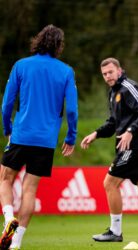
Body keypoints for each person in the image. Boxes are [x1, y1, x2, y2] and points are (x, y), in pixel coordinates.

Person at [0, 24, 78, 250]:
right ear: (59, 46)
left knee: (5, 178)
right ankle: (16, 243)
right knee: (30, 190)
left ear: (38, 40)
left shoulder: (21, 66)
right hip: (46, 140)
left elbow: (7, 103)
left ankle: (8, 219)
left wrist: (8, 127)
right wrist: (71, 137)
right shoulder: (66, 71)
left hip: (21, 134)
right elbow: (71, 110)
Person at [80, 58, 138, 243]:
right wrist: (96, 134)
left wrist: (130, 131)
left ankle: (115, 231)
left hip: (136, 144)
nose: (107, 76)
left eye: (110, 72)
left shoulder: (128, 87)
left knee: (110, 183)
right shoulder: (113, 93)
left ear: (119, 70)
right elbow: (113, 122)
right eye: (104, 74)